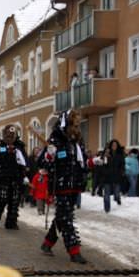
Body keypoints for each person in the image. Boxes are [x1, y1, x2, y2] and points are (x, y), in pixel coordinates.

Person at [39, 109, 89, 264]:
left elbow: (81, 162)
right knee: (66, 219)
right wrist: (49, 155)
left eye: (78, 125)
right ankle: (74, 251)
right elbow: (42, 163)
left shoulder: (77, 141)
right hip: (60, 185)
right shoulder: (55, 140)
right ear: (66, 123)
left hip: (74, 185)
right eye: (74, 124)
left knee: (62, 217)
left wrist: (92, 163)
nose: (76, 128)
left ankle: (47, 244)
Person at [0, 125, 28, 230]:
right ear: (4, 135)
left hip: (16, 177)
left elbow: (25, 162)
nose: (10, 137)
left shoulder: (19, 146)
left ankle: (11, 222)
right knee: (2, 198)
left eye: (12, 135)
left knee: (14, 200)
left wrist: (25, 175)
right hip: (3, 177)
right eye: (8, 135)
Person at [96, 139, 125, 212]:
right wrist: (104, 156)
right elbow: (101, 164)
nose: (114, 146)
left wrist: (121, 172)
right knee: (106, 194)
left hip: (116, 177)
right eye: (113, 145)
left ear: (117, 146)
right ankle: (107, 208)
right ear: (110, 146)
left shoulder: (120, 155)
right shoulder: (106, 153)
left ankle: (118, 198)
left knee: (116, 193)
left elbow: (122, 165)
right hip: (107, 177)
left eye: (115, 145)